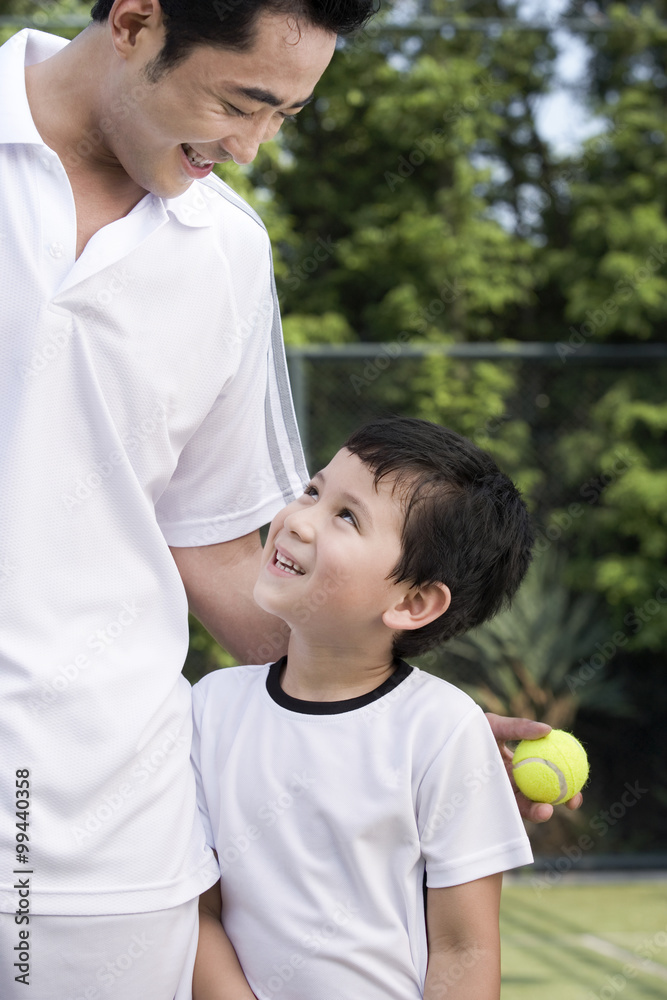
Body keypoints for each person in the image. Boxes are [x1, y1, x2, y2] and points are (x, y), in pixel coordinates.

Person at [0, 1, 578, 997]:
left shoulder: (227, 249)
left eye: (284, 118)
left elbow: (220, 549)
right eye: (241, 102)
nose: (253, 149)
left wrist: (380, 709)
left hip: (104, 835)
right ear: (136, 22)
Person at [190, 417, 549, 1000]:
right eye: (313, 490)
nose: (298, 520)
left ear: (413, 602)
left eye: (346, 516)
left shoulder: (443, 730)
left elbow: (467, 949)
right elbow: (199, 911)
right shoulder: (210, 708)